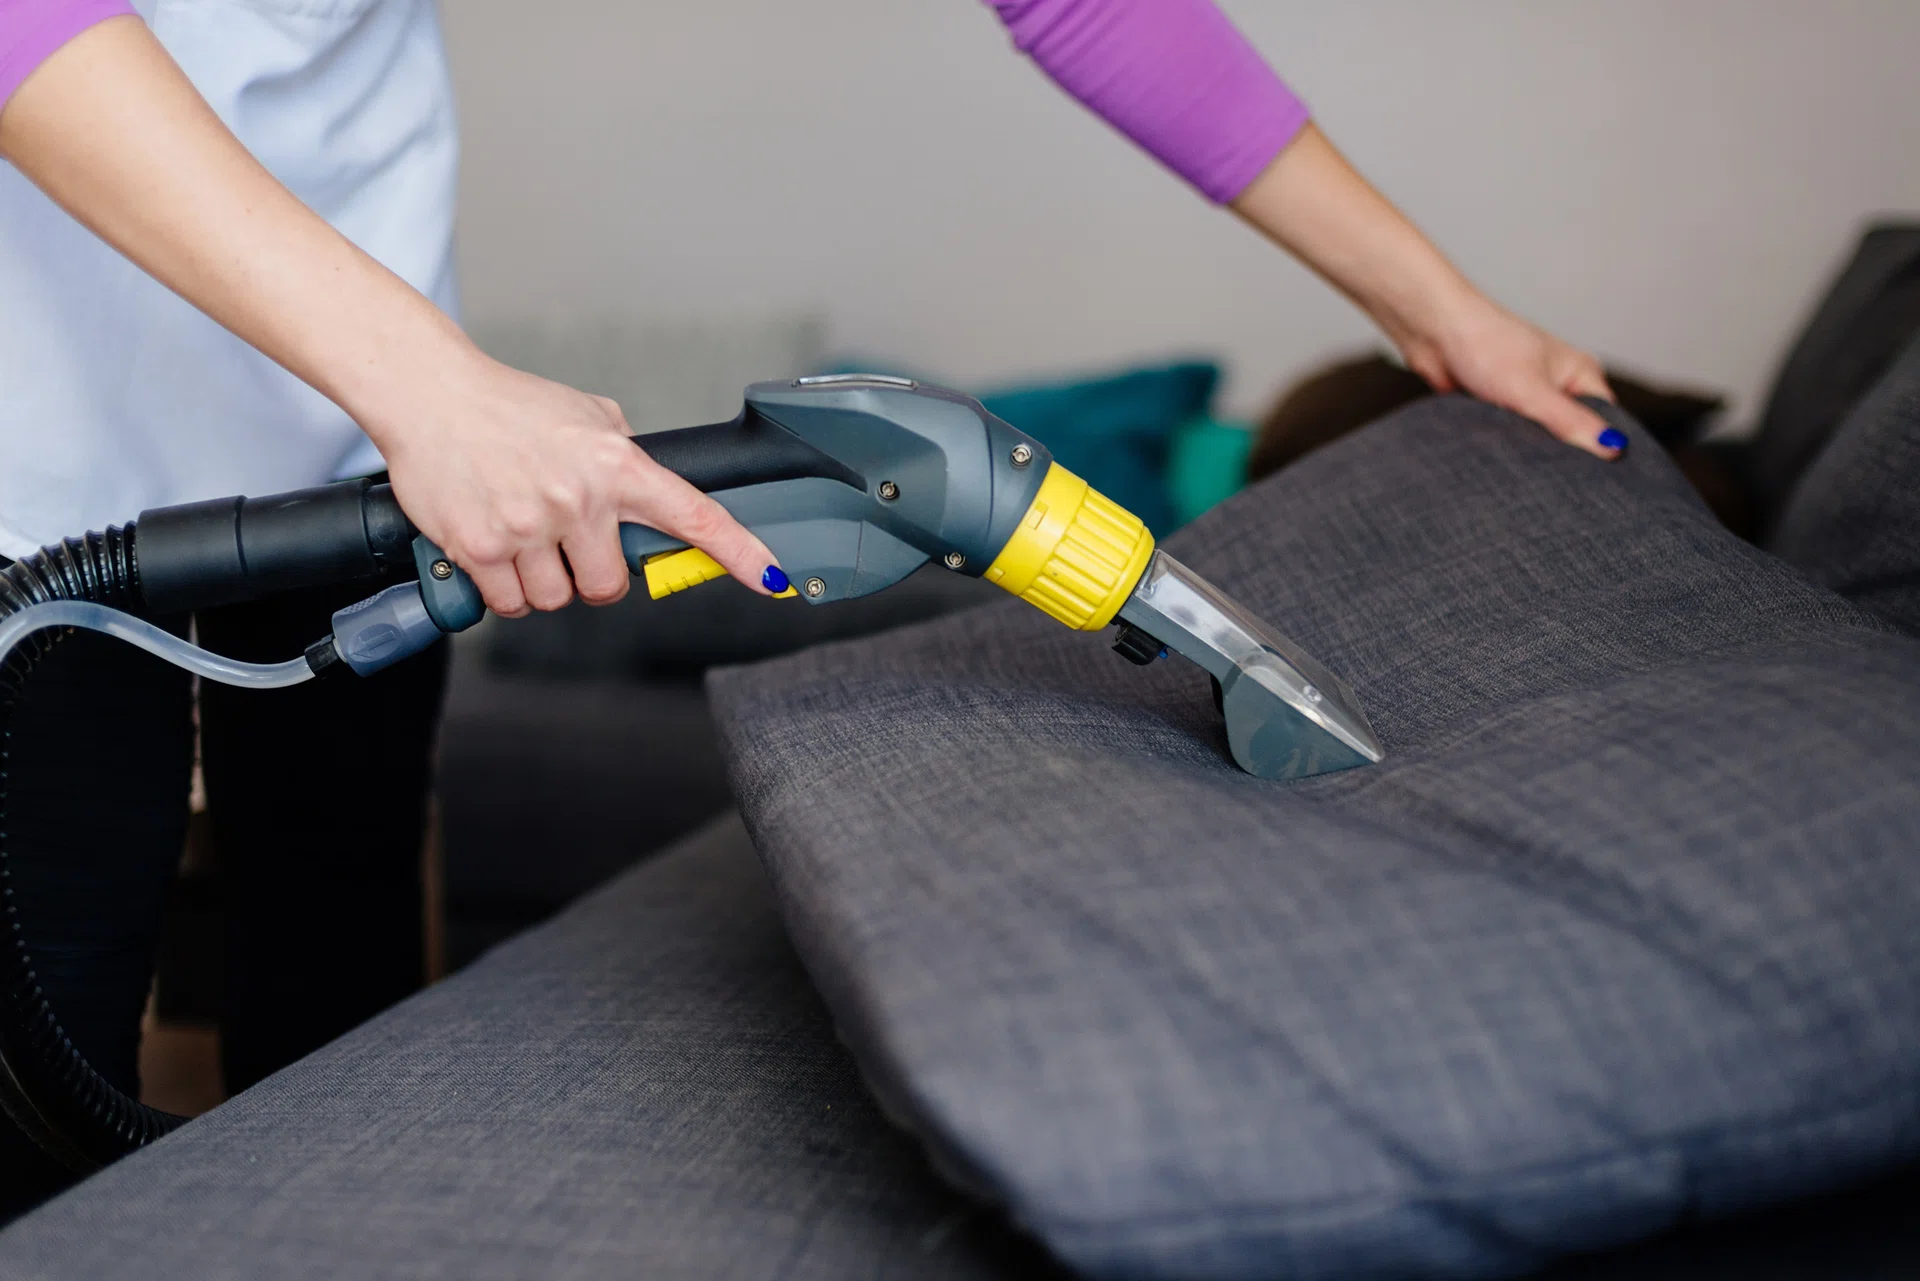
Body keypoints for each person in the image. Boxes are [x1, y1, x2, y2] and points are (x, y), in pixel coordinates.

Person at [0, 0, 1617, 1204]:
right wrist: (436, 389)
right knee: (46, 1042)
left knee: (338, 999)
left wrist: (1440, 310)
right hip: (52, 435)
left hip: (365, 425)